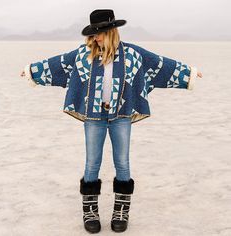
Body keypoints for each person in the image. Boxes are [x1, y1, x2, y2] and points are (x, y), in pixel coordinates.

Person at [20, 9, 202, 234]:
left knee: (122, 163)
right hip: (94, 118)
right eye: (93, 34)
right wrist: (31, 71)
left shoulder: (133, 54)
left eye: (99, 33)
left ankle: (121, 212)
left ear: (111, 32)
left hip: (121, 116)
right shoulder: (83, 55)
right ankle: (90, 212)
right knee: (92, 163)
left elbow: (160, 65)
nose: (95, 38)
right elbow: (58, 64)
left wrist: (189, 73)